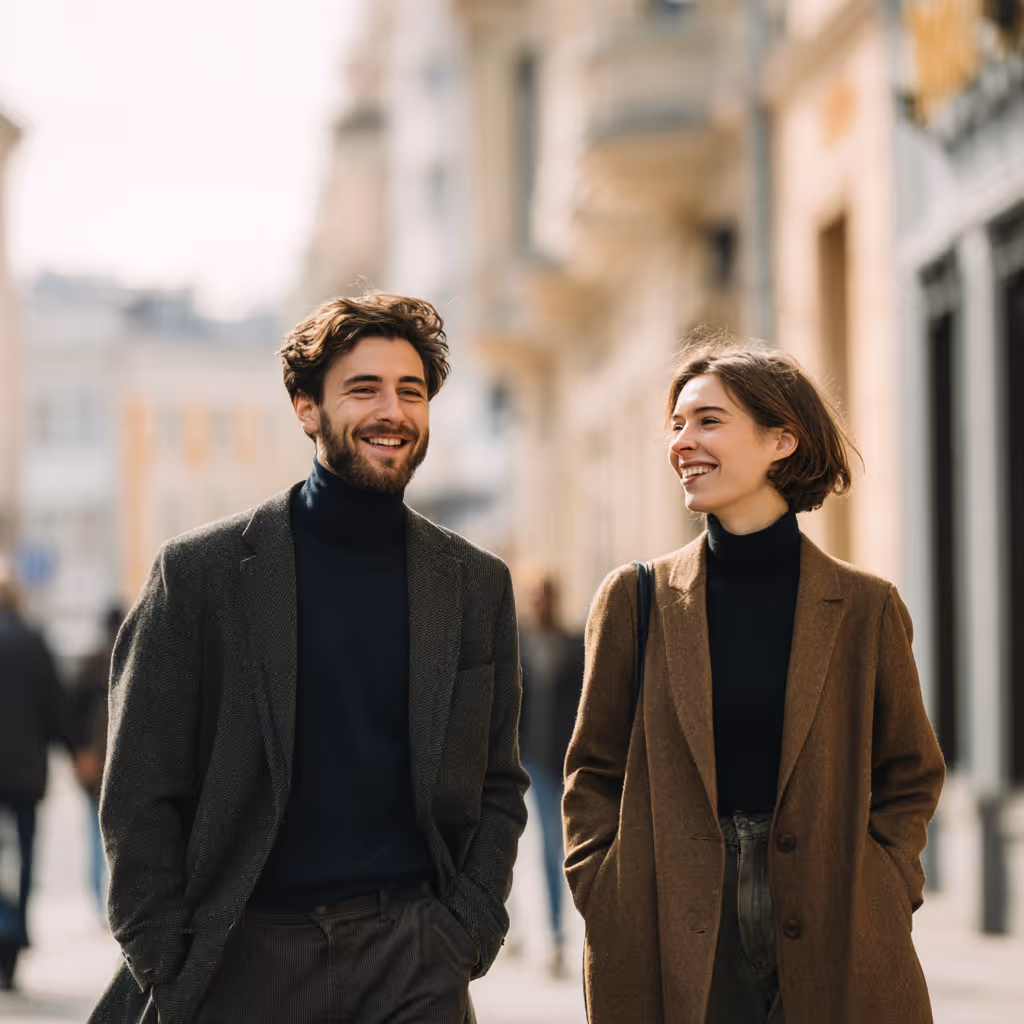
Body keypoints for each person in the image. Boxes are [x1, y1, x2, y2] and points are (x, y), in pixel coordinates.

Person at [91, 293, 529, 1024]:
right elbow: (138, 788)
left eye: (410, 391)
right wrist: (165, 955)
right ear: (305, 407)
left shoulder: (476, 585)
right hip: (243, 955)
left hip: (413, 957)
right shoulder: (201, 574)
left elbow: (498, 782)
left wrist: (467, 928)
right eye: (364, 389)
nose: (392, 411)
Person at [563, 338, 945, 1024]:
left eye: (708, 420)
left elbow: (910, 772)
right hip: (668, 915)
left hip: (835, 913)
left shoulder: (865, 607)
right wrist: (606, 888)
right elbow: (592, 770)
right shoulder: (634, 598)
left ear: (781, 440)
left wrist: (884, 886)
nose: (683, 441)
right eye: (677, 424)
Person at [0, 564, 77, 990]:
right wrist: (76, 750)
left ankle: (3, 928)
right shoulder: (33, 642)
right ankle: (14, 937)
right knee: (25, 856)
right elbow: (56, 706)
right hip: (27, 773)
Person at [517, 575, 583, 977]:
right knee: (522, 843)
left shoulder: (574, 645)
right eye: (535, 597)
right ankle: (520, 928)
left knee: (556, 847)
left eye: (547, 596)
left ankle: (557, 936)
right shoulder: (517, 644)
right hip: (528, 760)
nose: (541, 603)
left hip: (564, 759)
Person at [70, 603, 124, 915]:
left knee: (95, 829)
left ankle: (99, 899)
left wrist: (79, 752)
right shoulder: (136, 656)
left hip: (96, 760)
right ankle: (107, 898)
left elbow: (71, 711)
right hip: (114, 760)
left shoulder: (91, 663)